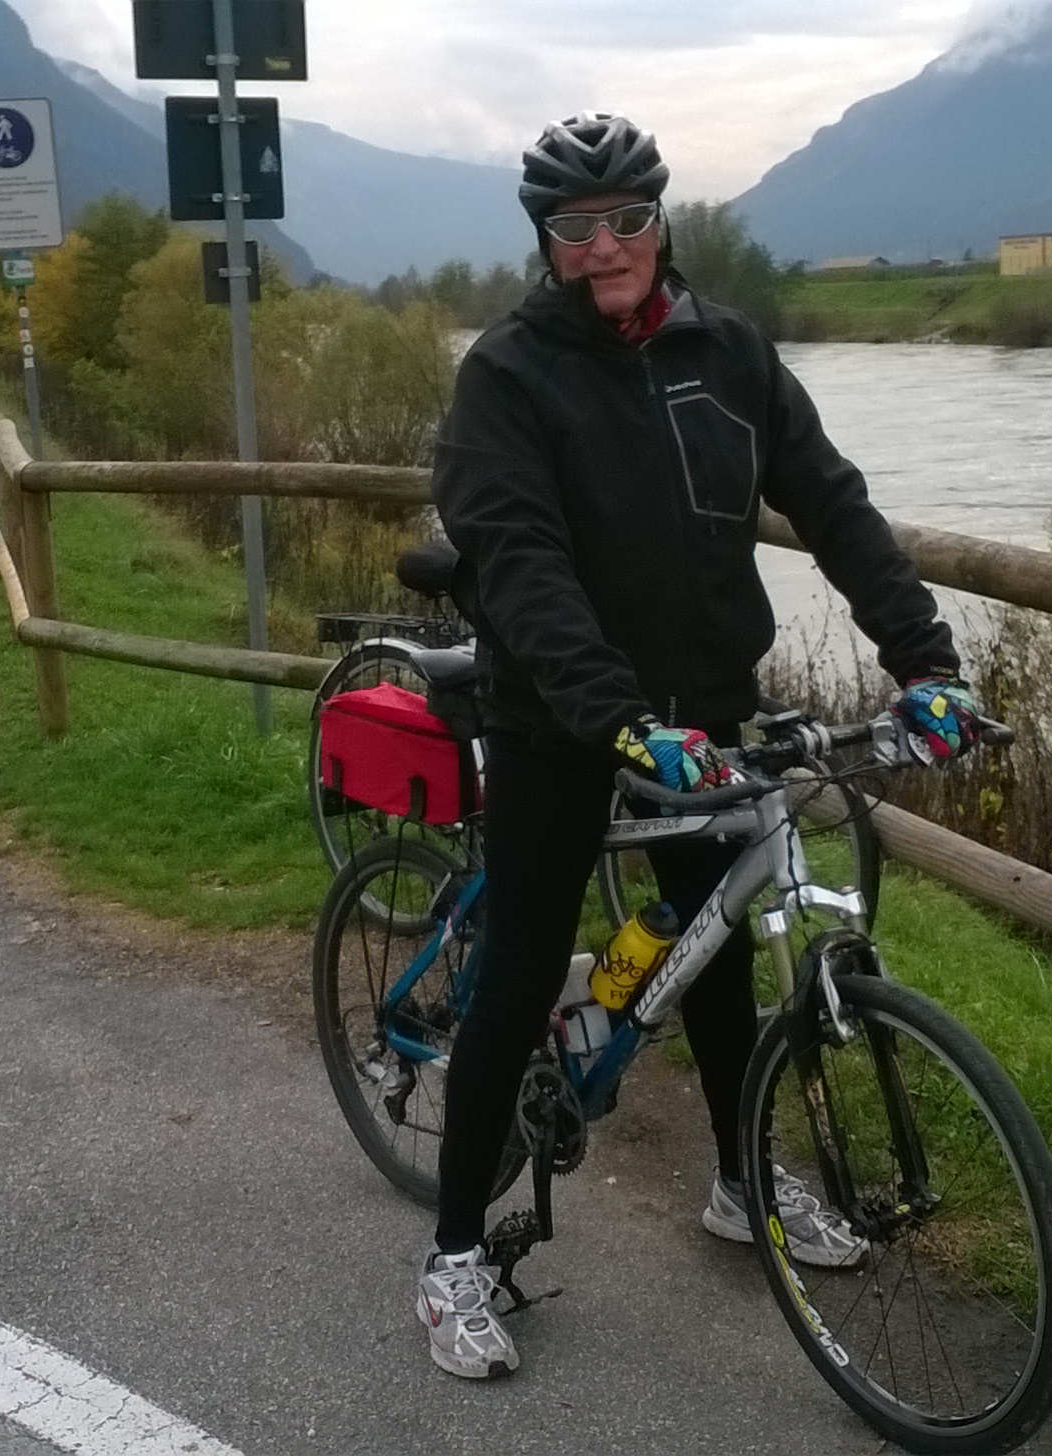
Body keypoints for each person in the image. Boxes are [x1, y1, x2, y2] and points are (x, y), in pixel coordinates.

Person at [418, 112, 990, 1380]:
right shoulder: (507, 377)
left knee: (719, 952)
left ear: (662, 222)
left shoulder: (728, 351)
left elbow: (832, 503)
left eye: (629, 218)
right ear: (545, 241)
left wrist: (927, 662)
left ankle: (743, 1181)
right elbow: (522, 566)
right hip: (561, 720)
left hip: (705, 712)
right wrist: (618, 716)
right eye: (577, 226)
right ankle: (453, 1253)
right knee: (519, 976)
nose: (607, 244)